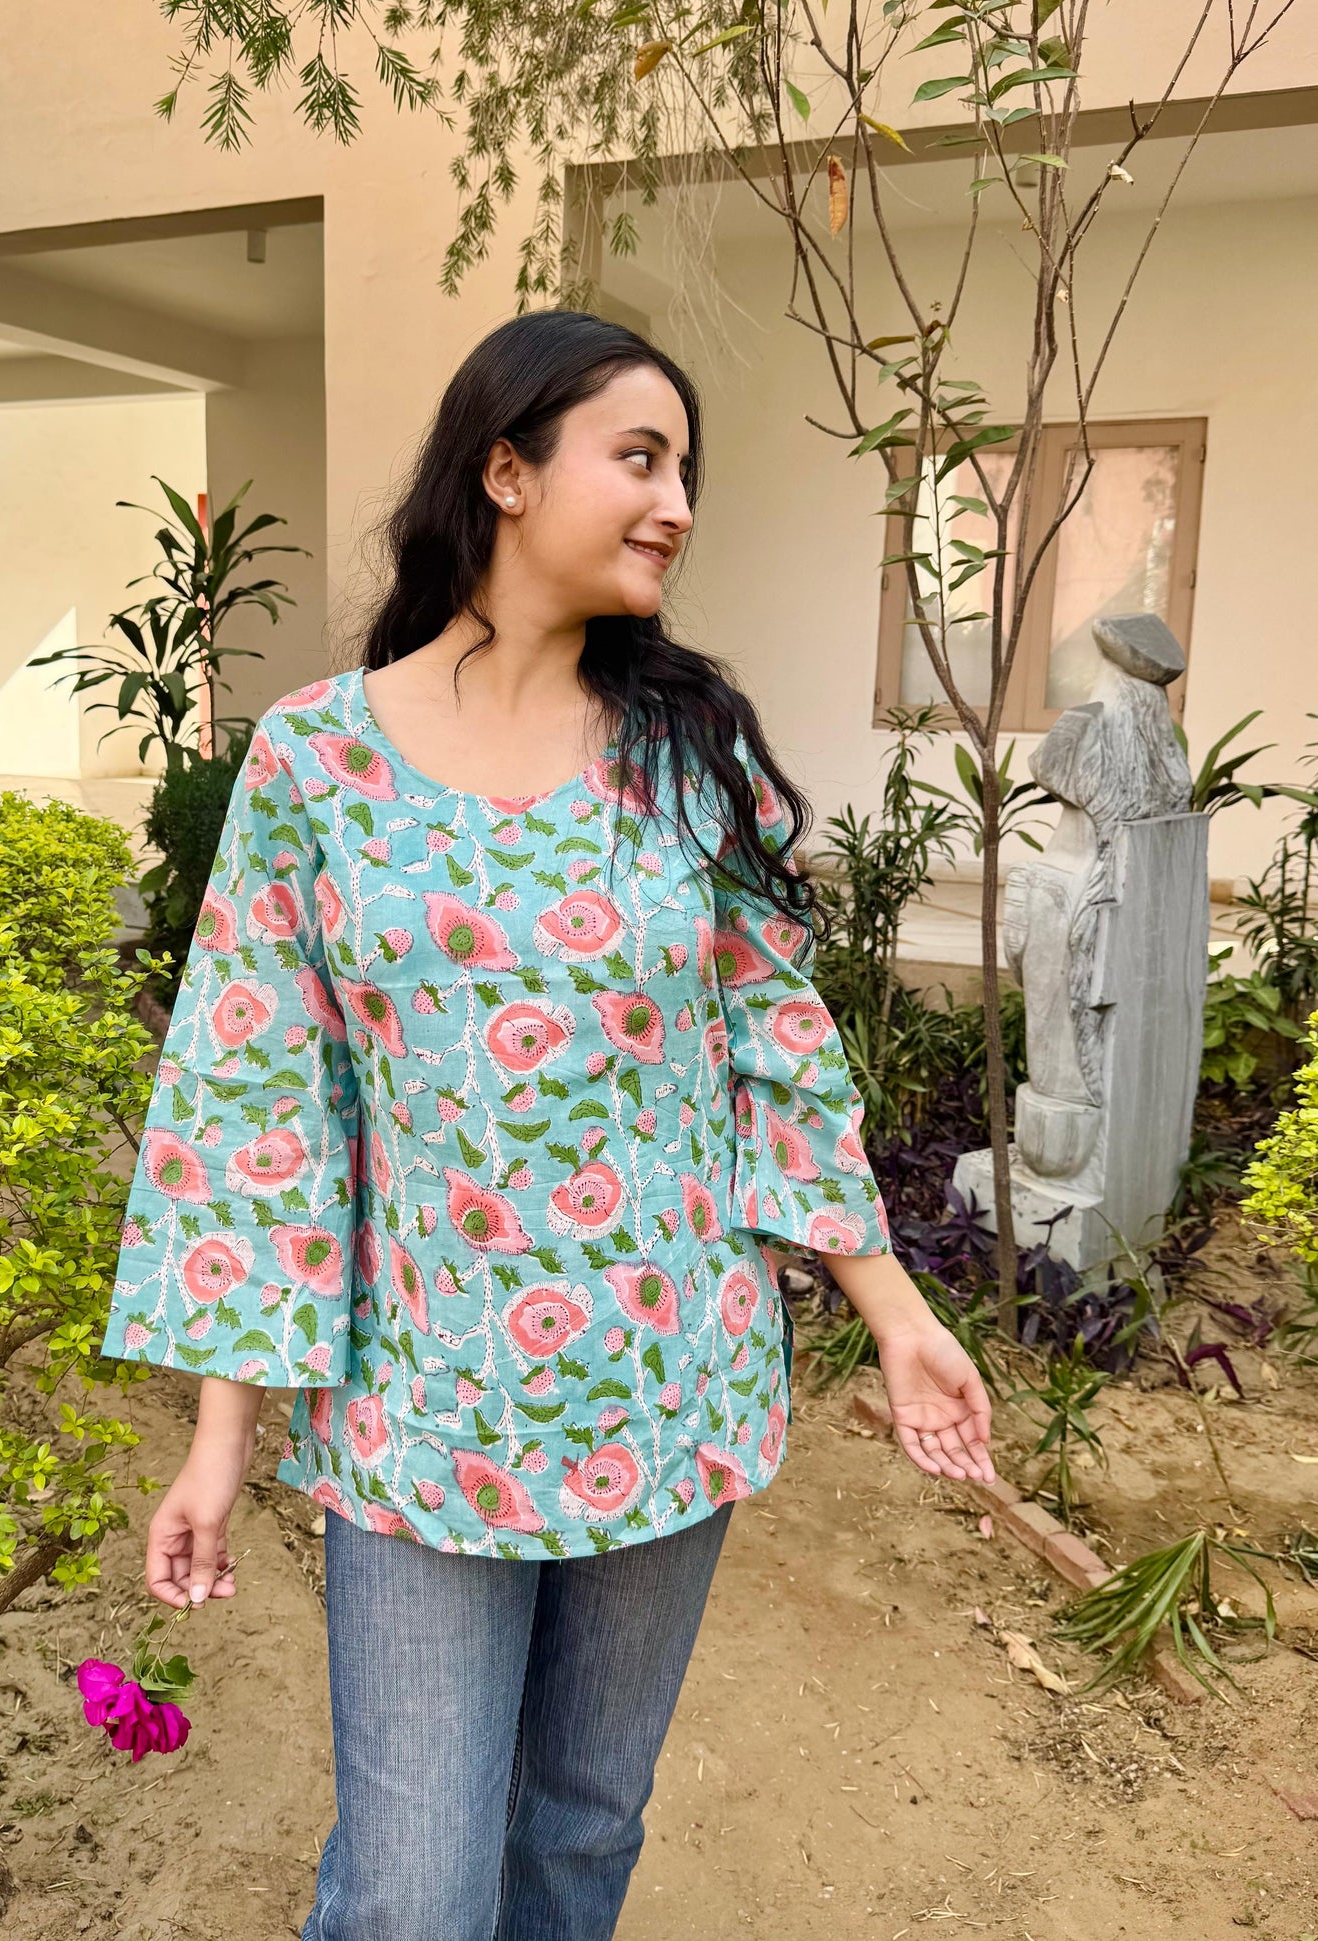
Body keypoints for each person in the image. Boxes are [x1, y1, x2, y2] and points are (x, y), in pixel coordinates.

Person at [97, 308, 996, 1941]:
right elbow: (257, 1109)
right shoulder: (314, 763)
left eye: (684, 469)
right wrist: (222, 1435)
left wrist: (895, 1312)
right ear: (504, 470)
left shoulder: (689, 756)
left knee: (581, 1830)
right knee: (415, 1884)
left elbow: (776, 1054)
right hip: (419, 1414)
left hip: (667, 1386)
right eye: (637, 458)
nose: (676, 503)